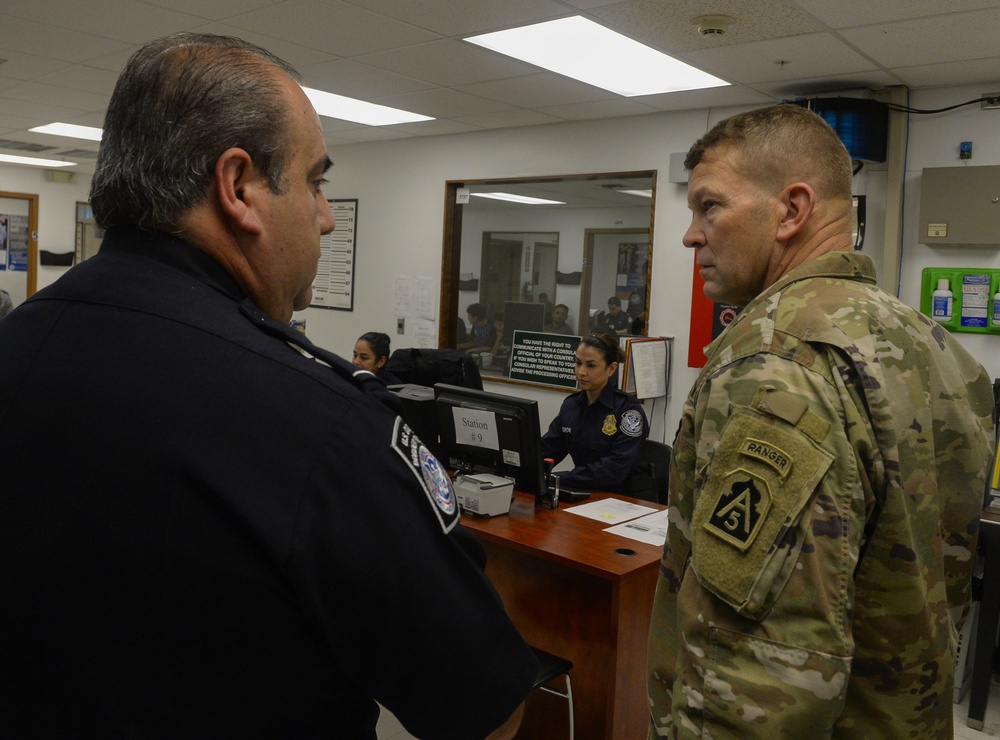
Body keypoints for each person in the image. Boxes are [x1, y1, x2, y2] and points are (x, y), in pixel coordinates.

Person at [0, 33, 537, 739]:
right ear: (239, 187)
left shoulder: (18, 343)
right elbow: (487, 709)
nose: (327, 216)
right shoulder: (320, 425)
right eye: (315, 182)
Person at [646, 104, 995, 738]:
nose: (691, 235)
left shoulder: (776, 362)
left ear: (792, 210)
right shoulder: (935, 347)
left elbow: (759, 678)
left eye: (709, 206)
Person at [541, 331, 649, 493]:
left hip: (623, 497)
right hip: (583, 491)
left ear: (611, 368)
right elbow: (548, 449)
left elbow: (613, 470)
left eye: (590, 365)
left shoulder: (628, 411)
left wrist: (558, 479)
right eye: (578, 363)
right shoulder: (571, 406)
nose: (581, 372)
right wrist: (520, 468)